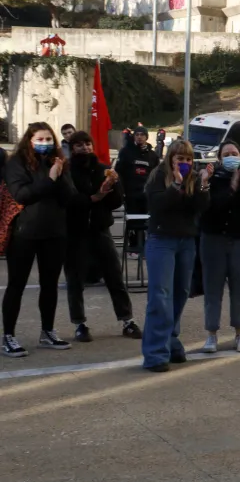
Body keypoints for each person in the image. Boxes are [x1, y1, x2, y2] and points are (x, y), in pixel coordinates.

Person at [2, 123, 77, 358]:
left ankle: (47, 331)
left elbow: (70, 197)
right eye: (40, 139)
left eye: (48, 139)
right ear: (29, 140)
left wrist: (59, 174)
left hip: (54, 232)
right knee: (17, 284)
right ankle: (8, 336)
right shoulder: (16, 164)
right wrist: (50, 180)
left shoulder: (57, 162)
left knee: (50, 284)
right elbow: (22, 195)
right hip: (25, 232)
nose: (45, 143)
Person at [65, 131, 142, 343]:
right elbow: (69, 201)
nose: (85, 148)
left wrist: (115, 185)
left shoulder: (103, 169)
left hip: (100, 230)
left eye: (87, 144)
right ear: (72, 149)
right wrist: (94, 197)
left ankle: (127, 320)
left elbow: (116, 202)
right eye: (79, 145)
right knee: (75, 280)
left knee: (114, 276)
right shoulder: (67, 172)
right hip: (75, 233)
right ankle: (79, 324)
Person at [141, 140, 211, 372]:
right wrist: (175, 186)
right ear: (171, 158)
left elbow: (200, 208)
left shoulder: (193, 179)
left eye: (189, 159)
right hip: (162, 240)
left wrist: (203, 185)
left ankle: (171, 340)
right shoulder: (158, 176)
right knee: (160, 296)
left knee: (180, 292)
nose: (185, 163)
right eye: (180, 158)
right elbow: (157, 206)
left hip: (186, 241)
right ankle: (155, 354)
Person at [199, 140, 240, 354]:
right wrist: (232, 188)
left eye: (234, 153)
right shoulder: (211, 178)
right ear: (219, 158)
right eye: (226, 154)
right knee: (213, 289)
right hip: (213, 240)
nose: (230, 157)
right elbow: (210, 208)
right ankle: (211, 334)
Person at [115, 124, 161, 252]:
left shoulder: (152, 155)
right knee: (133, 221)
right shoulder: (126, 151)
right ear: (134, 136)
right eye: (137, 135)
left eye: (142, 135)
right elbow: (119, 172)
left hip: (146, 194)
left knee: (146, 221)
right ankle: (133, 245)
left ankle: (145, 245)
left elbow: (157, 174)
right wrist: (121, 190)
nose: (140, 137)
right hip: (131, 193)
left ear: (146, 137)